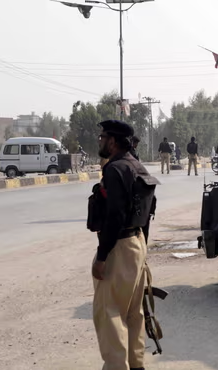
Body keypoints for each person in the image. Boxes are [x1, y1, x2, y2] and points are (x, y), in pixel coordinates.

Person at [91, 119, 160, 370]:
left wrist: (101, 256)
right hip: (136, 242)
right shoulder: (138, 166)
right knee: (133, 312)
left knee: (110, 312)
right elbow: (148, 211)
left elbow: (115, 216)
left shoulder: (115, 168)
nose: (100, 140)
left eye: (102, 137)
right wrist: (142, 250)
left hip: (119, 246)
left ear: (113, 141)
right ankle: (136, 364)